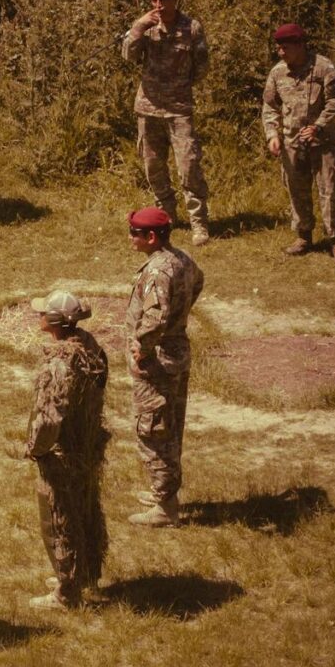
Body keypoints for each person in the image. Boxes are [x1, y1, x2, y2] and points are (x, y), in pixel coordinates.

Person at [25, 291, 109, 610]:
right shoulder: (92, 348)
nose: (39, 317)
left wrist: (36, 449)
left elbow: (48, 419)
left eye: (43, 313)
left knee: (59, 519)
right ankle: (86, 573)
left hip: (62, 454)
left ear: (56, 322)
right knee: (86, 509)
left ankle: (66, 591)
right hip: (88, 444)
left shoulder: (59, 364)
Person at [124, 207, 204, 528]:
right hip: (176, 354)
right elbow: (198, 282)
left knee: (153, 430)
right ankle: (163, 491)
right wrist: (179, 316)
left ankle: (166, 507)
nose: (131, 238)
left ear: (151, 237)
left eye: (135, 233)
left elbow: (154, 319)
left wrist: (141, 347)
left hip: (157, 363)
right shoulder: (180, 259)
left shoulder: (157, 272)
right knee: (169, 426)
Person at [123, 0, 211, 246]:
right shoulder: (146, 27)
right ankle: (167, 216)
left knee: (189, 165)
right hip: (148, 109)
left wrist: (179, 87)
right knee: (154, 167)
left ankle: (199, 223)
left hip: (179, 109)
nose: (158, 5)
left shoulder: (191, 28)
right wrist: (137, 27)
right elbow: (128, 56)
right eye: (154, 0)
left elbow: (203, 67)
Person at [262, 23, 335, 265]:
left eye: (285, 46)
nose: (280, 51)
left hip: (322, 142)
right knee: (296, 190)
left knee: (330, 191)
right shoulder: (277, 73)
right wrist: (272, 134)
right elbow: (270, 106)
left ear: (301, 45)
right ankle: (304, 236)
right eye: (278, 47)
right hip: (291, 142)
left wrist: (319, 126)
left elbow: (334, 102)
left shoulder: (323, 68)